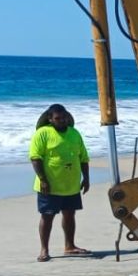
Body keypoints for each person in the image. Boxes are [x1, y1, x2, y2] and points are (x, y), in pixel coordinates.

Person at [29, 104, 91, 262]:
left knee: (70, 215)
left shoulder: (75, 133)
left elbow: (83, 158)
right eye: (58, 118)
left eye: (64, 118)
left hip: (71, 184)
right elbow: (35, 158)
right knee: (47, 216)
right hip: (49, 185)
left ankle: (69, 246)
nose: (62, 121)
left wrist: (87, 178)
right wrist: (43, 179)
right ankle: (44, 250)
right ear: (50, 119)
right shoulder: (42, 133)